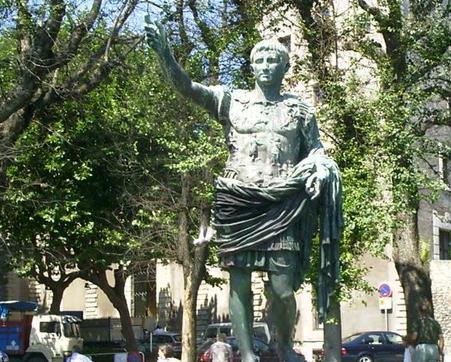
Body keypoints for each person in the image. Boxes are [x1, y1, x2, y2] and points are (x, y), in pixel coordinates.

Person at [146, 19, 343, 362]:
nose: (266, 66)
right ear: (251, 66)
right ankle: (249, 353)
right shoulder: (231, 100)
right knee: (239, 281)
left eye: (273, 61)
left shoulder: (299, 109)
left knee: (282, 287)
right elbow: (189, 88)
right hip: (239, 200)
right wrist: (166, 55)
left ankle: (282, 344)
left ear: (285, 66)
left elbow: (316, 149)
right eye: (260, 61)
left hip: (283, 201)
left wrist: (321, 167)